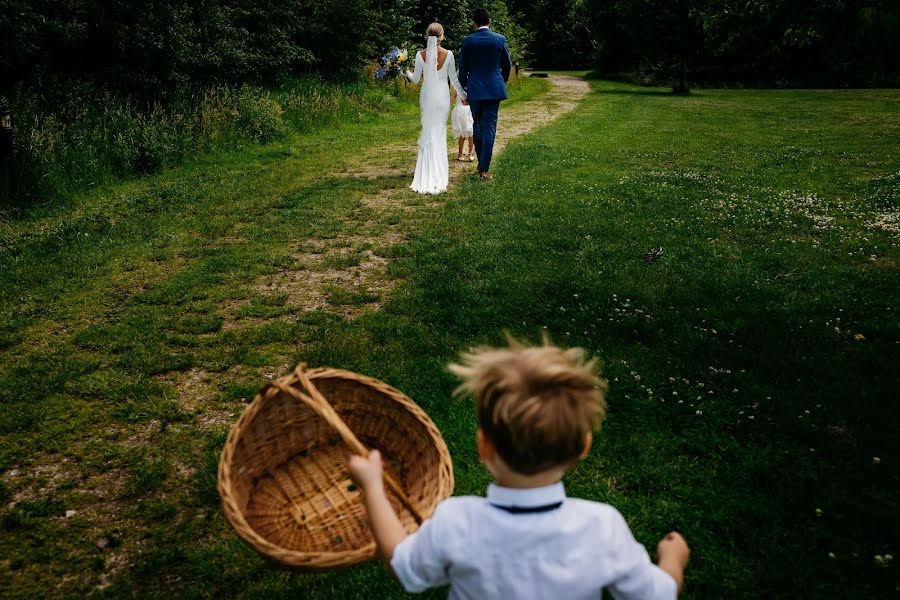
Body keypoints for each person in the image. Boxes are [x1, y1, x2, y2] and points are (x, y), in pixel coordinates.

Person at [348, 337, 691, 599]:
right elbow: (659, 594)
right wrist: (672, 558)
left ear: (484, 446)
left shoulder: (456, 522)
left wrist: (374, 487)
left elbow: (401, 565)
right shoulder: (602, 528)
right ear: (583, 447)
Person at [406, 22, 467, 194]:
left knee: (429, 128)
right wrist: (464, 96)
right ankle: (438, 168)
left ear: (427, 35)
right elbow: (454, 79)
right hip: (442, 96)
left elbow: (416, 79)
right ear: (442, 36)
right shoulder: (448, 54)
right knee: (439, 130)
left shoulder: (420, 55)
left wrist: (406, 72)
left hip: (427, 95)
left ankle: (426, 167)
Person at [458, 8, 512, 181]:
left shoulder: (467, 41)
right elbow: (507, 65)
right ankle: (484, 168)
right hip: (494, 90)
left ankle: (483, 164)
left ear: (474, 23)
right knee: (489, 127)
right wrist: (500, 81)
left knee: (477, 126)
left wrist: (463, 89)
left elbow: (463, 70)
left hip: (474, 90)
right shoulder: (500, 39)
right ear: (489, 21)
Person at [450, 87, 475, 162]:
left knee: (471, 132)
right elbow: (450, 101)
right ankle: (460, 153)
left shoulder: (471, 88)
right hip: (459, 113)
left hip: (468, 111)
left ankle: (471, 152)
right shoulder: (455, 89)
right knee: (462, 133)